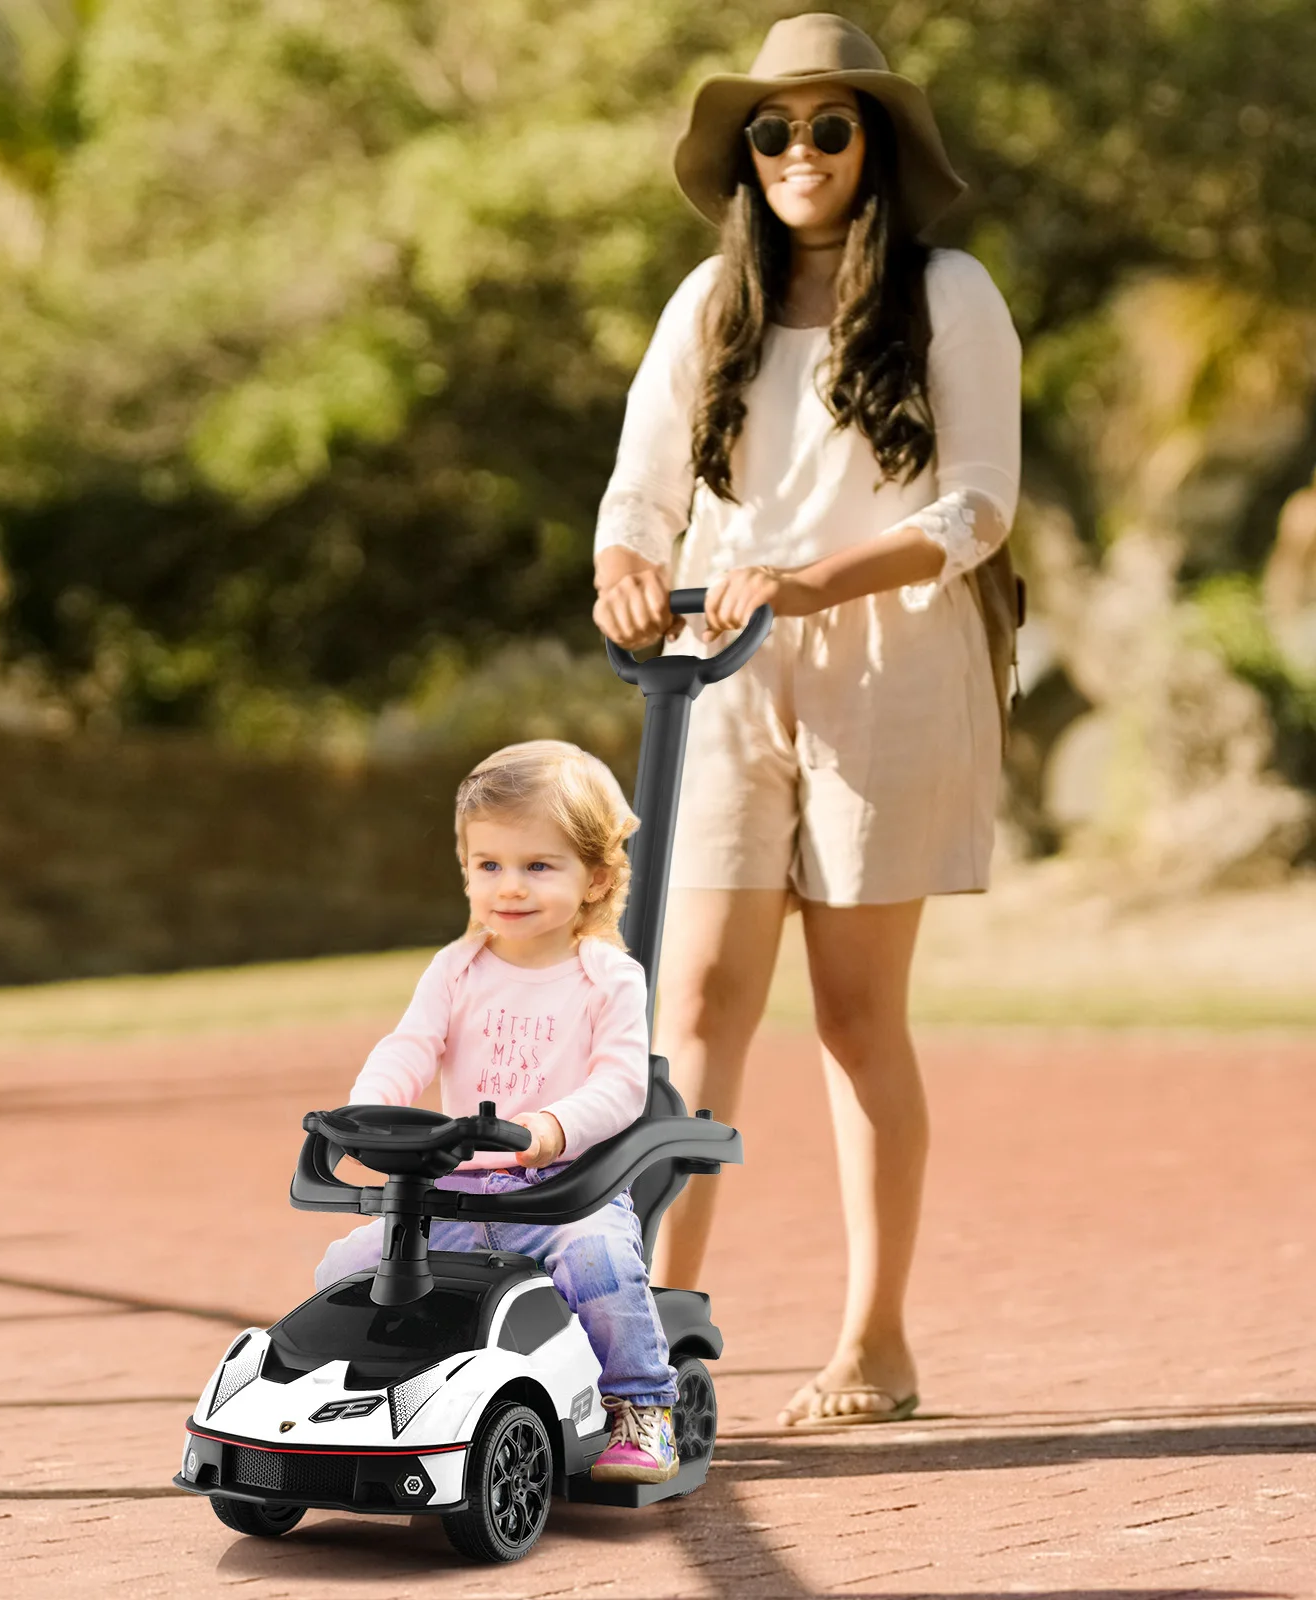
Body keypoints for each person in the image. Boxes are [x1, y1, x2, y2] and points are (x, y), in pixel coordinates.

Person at [591, 13, 1021, 1427]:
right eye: (772, 132)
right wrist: (626, 569)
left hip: (889, 663)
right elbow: (643, 487)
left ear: (876, 144)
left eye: (829, 127)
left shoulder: (949, 292)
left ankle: (874, 1346)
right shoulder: (703, 306)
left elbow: (978, 507)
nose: (797, 154)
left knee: (852, 1015)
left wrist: (821, 576)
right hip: (722, 663)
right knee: (695, 1001)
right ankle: (649, 1336)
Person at [316, 740, 682, 1483]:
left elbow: (621, 1086)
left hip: (561, 1195)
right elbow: (409, 1047)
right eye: (490, 866)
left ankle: (643, 1408)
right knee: (349, 1265)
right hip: (451, 1193)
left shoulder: (607, 976)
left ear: (596, 878)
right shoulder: (457, 968)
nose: (509, 887)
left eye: (538, 866)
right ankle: (358, 1401)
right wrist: (367, 1108)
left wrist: (550, 1129)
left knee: (599, 1260)